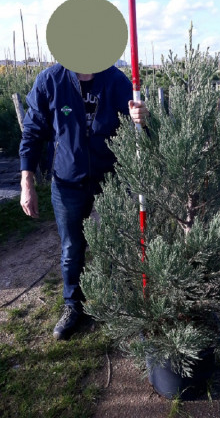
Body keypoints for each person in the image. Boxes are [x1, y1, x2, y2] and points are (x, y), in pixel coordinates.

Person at [19, 63, 148, 340]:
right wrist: (26, 182)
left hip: (110, 181)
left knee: (111, 245)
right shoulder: (50, 81)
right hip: (67, 183)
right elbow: (32, 132)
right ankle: (73, 306)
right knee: (71, 248)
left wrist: (143, 120)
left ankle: (111, 303)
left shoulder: (115, 80)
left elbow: (143, 133)